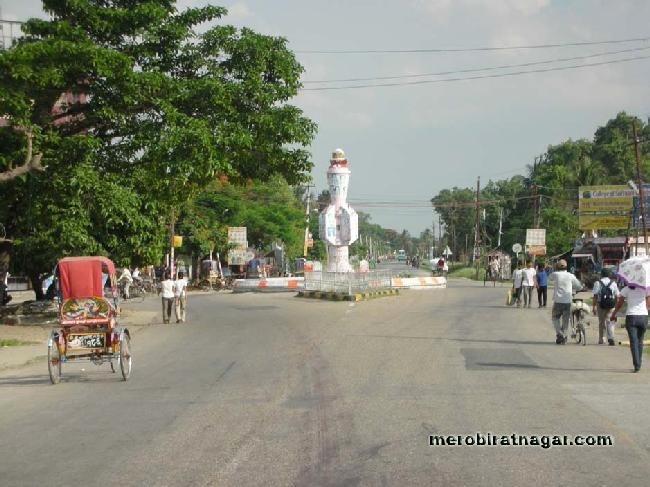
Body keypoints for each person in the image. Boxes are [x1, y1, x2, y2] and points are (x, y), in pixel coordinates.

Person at [610, 284, 649, 372]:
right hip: (643, 316)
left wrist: (614, 314)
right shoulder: (645, 289)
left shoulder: (626, 289)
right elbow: (648, 302)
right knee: (640, 341)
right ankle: (638, 363)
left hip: (631, 316)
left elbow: (619, 303)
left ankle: (637, 365)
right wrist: (644, 309)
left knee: (633, 342)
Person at [550, 259, 583, 344]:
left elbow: (550, 278)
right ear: (566, 267)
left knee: (555, 318)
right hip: (567, 301)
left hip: (558, 301)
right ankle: (564, 335)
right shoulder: (571, 275)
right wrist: (580, 288)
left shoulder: (555, 274)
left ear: (557, 267)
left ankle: (559, 334)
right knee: (565, 320)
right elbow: (578, 286)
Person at [592, 268, 619, 345]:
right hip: (611, 304)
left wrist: (594, 307)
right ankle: (611, 338)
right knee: (610, 321)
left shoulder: (597, 283)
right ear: (609, 275)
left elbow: (595, 295)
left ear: (601, 274)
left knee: (601, 322)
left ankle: (602, 339)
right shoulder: (613, 283)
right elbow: (617, 296)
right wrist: (615, 306)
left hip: (600, 304)